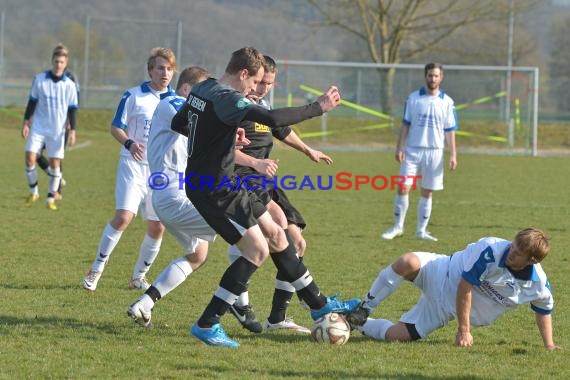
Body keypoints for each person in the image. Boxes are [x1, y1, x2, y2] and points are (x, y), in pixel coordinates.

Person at [171, 46, 360, 348]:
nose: (252, 90)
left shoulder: (203, 87)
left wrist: (224, 134)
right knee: (257, 249)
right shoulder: (228, 97)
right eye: (253, 82)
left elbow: (179, 123)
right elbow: (272, 118)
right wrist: (317, 107)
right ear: (243, 73)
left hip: (214, 181)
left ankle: (318, 303)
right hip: (214, 186)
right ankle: (208, 323)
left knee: (273, 236)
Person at [228, 55, 332, 334]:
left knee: (296, 243)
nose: (262, 88)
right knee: (270, 239)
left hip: (264, 182)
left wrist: (308, 150)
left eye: (269, 84)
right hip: (243, 182)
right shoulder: (236, 106)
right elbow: (222, 151)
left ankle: (277, 317)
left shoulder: (262, 106)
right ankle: (235, 298)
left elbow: (280, 129)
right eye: (260, 82)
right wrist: (253, 162)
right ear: (248, 75)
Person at [347, 228, 559, 350]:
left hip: (445, 310)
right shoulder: (492, 251)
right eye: (512, 246)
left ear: (531, 260)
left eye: (518, 253)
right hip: (443, 271)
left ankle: (355, 323)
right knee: (407, 262)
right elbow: (465, 285)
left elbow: (543, 310)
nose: (510, 252)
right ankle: (364, 309)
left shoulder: (538, 284)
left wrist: (549, 345)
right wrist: (464, 330)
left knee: (396, 336)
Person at [127, 66, 216, 327]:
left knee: (199, 254)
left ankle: (144, 303)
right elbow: (199, 127)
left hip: (177, 194)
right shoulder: (173, 102)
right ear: (187, 89)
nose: (206, 100)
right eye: (203, 94)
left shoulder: (182, 108)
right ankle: (237, 304)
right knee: (241, 227)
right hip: (173, 195)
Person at [83, 47, 176, 291]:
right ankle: (96, 269)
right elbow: (116, 127)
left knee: (158, 226)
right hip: (132, 165)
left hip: (160, 172)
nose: (164, 73)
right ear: (150, 70)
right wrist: (129, 142)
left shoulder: (177, 101)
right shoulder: (134, 95)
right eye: (159, 68)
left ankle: (138, 276)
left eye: (169, 68)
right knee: (124, 217)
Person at [381, 62, 458, 242]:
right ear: (426, 76)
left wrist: (453, 154)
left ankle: (421, 231)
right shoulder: (414, 98)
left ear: (441, 77)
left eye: (436, 76)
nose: (433, 79)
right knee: (402, 187)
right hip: (412, 150)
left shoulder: (447, 102)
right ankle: (397, 227)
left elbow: (450, 131)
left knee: (427, 192)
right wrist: (399, 147)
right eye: (430, 75)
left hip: (435, 151)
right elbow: (405, 124)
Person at [22, 43, 79, 210]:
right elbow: (32, 102)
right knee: (30, 157)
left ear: (65, 63)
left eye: (61, 62)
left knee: (55, 165)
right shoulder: (39, 80)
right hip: (38, 127)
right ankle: (34, 192)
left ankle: (50, 198)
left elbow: (73, 109)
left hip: (57, 130)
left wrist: (73, 130)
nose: (58, 65)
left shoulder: (69, 85)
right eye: (56, 61)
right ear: (52, 61)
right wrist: (26, 122)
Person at [36, 68, 80, 199]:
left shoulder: (69, 79)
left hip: (62, 126)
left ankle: (57, 192)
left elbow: (73, 105)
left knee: (56, 156)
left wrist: (71, 126)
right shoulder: (47, 78)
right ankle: (56, 177)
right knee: (36, 153)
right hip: (45, 126)